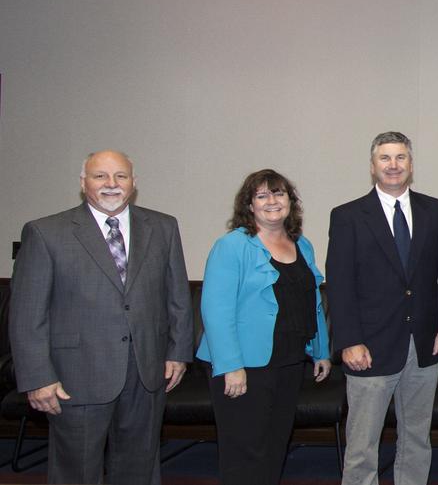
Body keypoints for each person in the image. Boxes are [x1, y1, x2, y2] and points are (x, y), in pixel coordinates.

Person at [9, 150, 194, 484]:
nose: (112, 184)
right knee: (76, 471)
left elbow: (177, 296)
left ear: (133, 184)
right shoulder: (45, 232)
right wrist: (37, 377)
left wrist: (178, 352)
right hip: (75, 376)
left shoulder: (163, 227)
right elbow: (27, 315)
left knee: (140, 465)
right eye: (100, 176)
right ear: (83, 183)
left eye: (121, 176)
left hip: (146, 373)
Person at [197, 169, 332, 484]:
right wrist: (230, 365)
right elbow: (216, 310)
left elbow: (311, 301)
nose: (272, 201)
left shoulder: (302, 244)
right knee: (244, 451)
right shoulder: (231, 246)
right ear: (250, 205)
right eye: (262, 195)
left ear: (290, 201)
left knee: (274, 446)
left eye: (279, 193)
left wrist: (321, 351)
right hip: (244, 365)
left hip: (288, 361)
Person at [326, 131, 438, 485]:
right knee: (363, 446)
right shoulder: (348, 216)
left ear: (411, 164)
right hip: (370, 347)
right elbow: (340, 283)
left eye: (400, 158)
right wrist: (349, 340)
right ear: (372, 166)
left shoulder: (435, 210)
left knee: (417, 440)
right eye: (385, 158)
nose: (393, 165)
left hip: (424, 345)